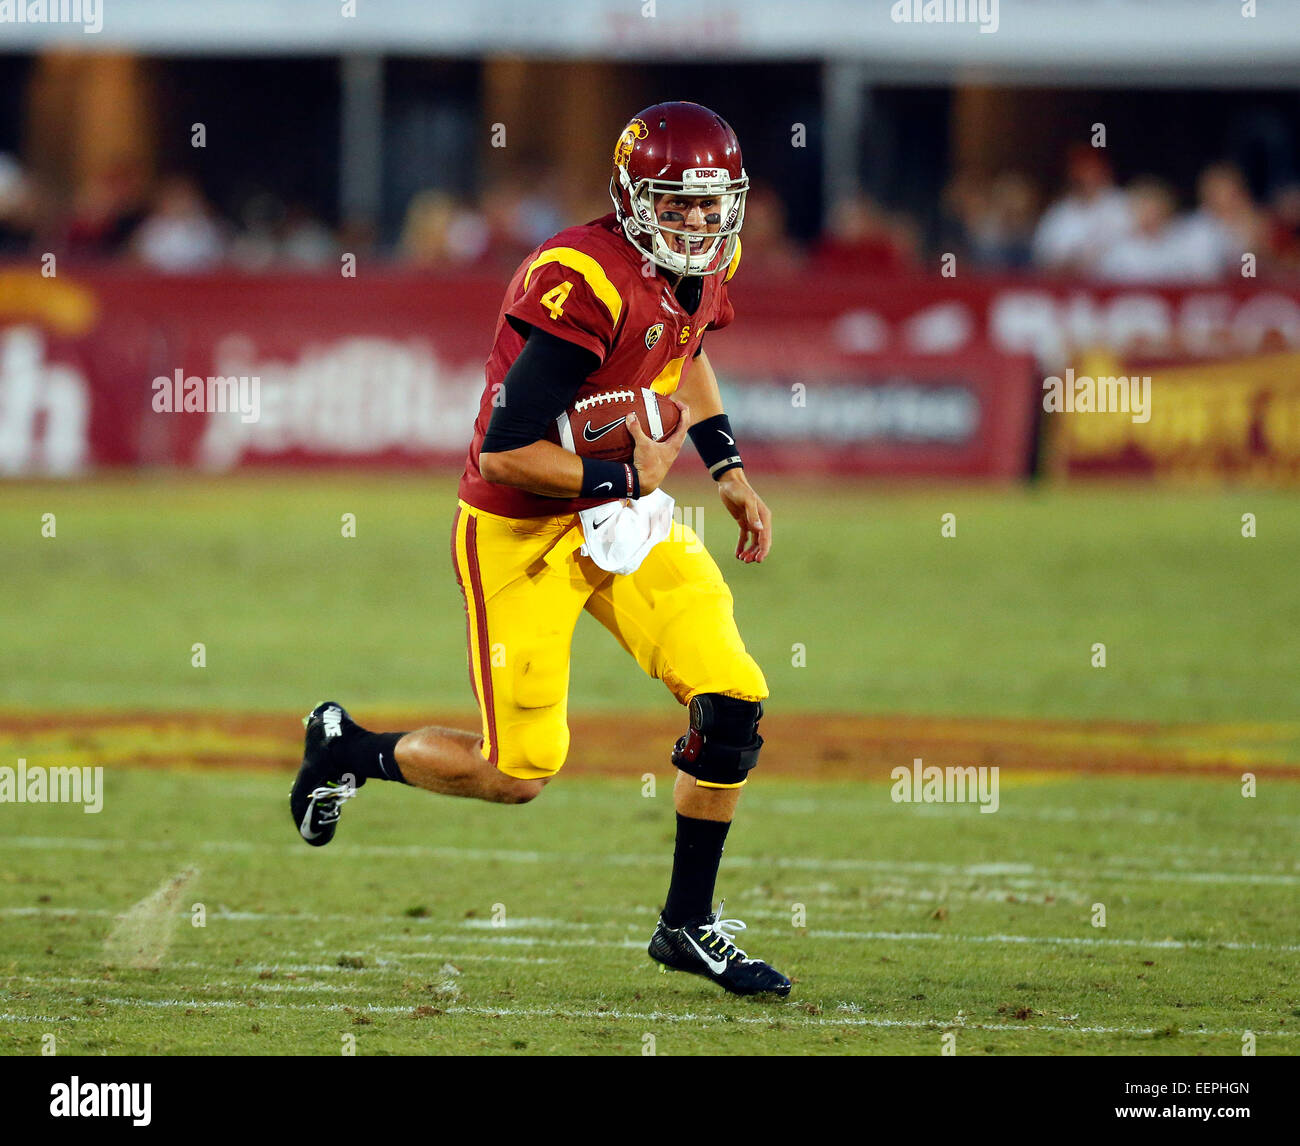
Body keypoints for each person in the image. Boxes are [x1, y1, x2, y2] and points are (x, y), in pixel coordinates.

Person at [289, 102, 790, 998]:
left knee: (732, 702)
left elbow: (689, 346)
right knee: (520, 772)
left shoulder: (709, 261)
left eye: (712, 205)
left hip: (621, 517)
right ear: (635, 199)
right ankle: (345, 749)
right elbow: (504, 449)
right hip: (520, 528)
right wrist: (624, 479)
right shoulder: (581, 278)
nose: (698, 224)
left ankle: (688, 924)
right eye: (676, 206)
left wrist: (728, 466)